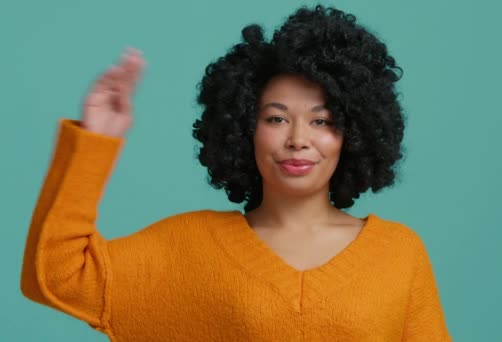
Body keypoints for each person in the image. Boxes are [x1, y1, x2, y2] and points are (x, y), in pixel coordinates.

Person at [20, 4, 451, 341]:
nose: (298, 138)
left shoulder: (399, 254)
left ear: (354, 133)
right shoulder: (191, 248)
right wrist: (95, 141)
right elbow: (55, 275)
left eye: (322, 120)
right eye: (276, 118)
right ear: (244, 128)